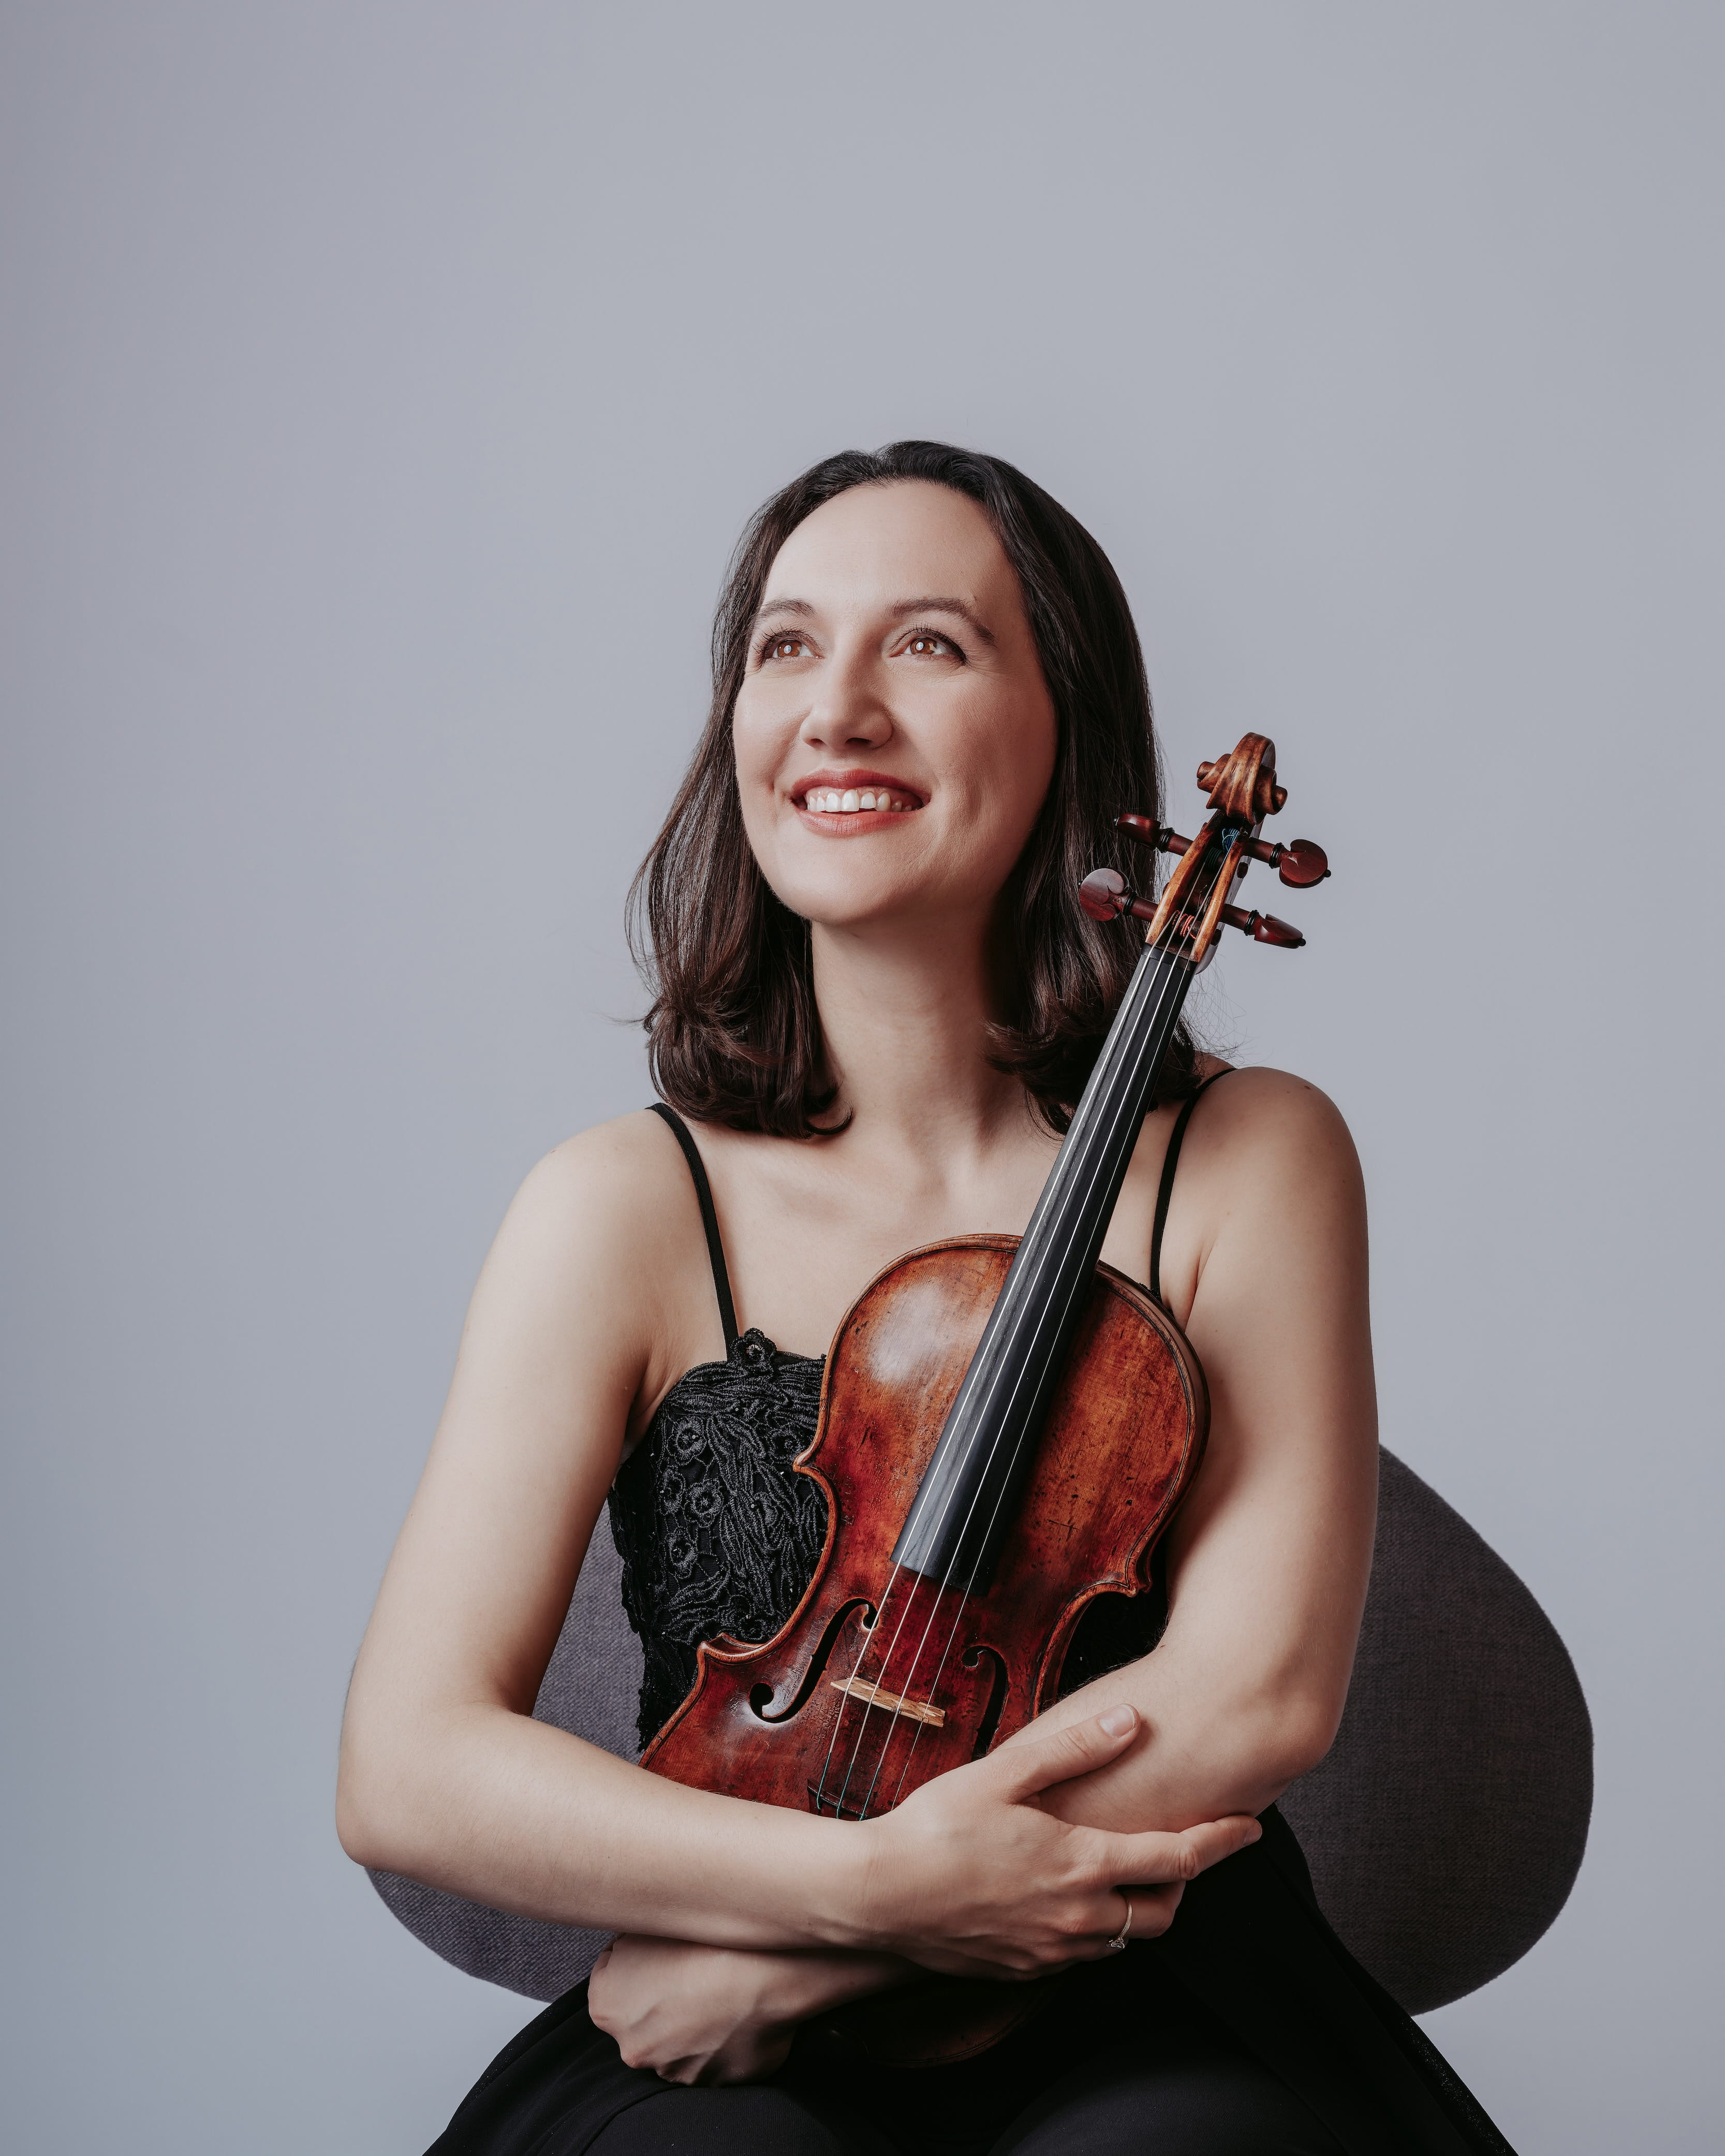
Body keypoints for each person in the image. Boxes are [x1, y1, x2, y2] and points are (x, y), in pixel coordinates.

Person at [338, 442, 1514, 2155]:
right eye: (788, 648)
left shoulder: (1243, 1160)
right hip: (732, 1992)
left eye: (931, 646)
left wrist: (826, 1954)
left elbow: (1257, 1697)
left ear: (1068, 730)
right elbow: (411, 1760)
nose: (838, 711)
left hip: (1146, 1987)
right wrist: (859, 1892)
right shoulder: (619, 1208)